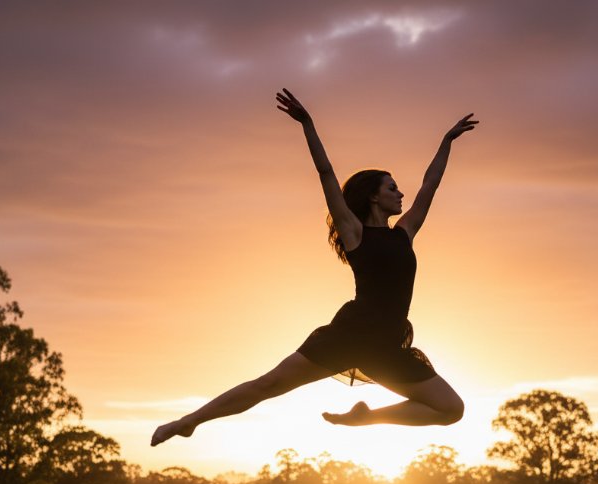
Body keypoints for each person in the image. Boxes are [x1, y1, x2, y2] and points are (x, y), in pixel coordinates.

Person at [151, 88, 478, 446]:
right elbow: (325, 173)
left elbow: (430, 186)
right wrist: (308, 124)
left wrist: (447, 141)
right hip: (351, 333)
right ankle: (188, 421)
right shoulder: (355, 233)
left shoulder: (404, 233)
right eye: (392, 188)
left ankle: (366, 418)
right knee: (269, 385)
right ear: (373, 195)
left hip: (387, 345)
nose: (401, 194)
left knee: (451, 409)